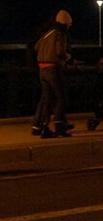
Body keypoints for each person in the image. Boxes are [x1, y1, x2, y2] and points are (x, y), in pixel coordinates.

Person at [32, 10, 74, 138]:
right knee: (61, 98)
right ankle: (59, 126)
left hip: (42, 69)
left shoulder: (48, 33)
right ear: (66, 24)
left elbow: (36, 47)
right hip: (53, 69)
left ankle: (44, 127)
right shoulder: (60, 33)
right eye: (69, 25)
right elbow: (60, 51)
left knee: (47, 98)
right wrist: (69, 58)